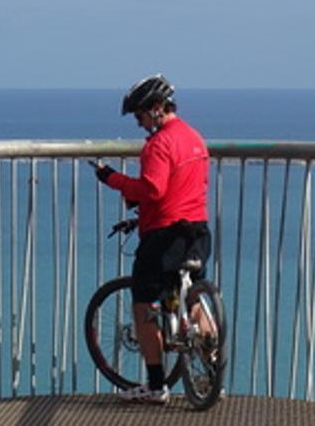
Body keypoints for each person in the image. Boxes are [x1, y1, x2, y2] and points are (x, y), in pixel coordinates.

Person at [94, 74, 212, 404]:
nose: (139, 123)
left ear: (157, 109)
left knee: (143, 303)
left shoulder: (159, 144)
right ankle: (212, 365)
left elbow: (153, 189)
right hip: (197, 231)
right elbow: (182, 188)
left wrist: (112, 179)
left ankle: (157, 385)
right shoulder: (195, 138)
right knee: (190, 297)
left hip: (165, 237)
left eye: (141, 116)